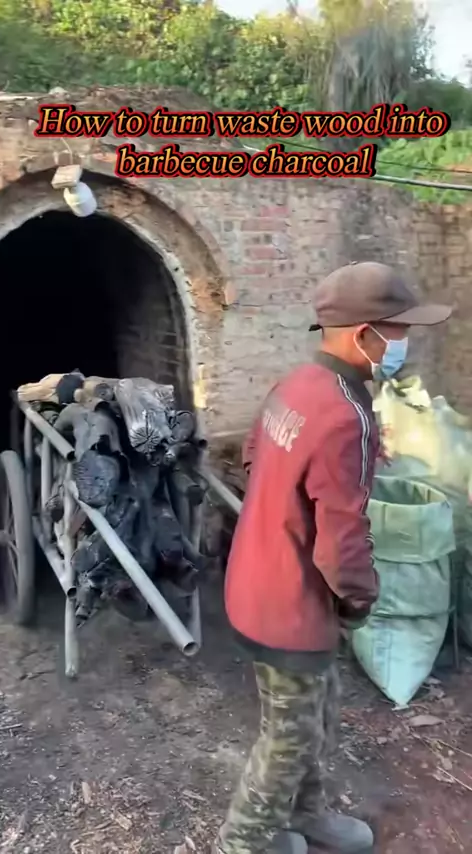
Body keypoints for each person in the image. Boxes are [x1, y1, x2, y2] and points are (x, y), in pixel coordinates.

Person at [175, 262, 451, 854]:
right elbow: (341, 541)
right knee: (288, 739)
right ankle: (240, 843)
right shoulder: (345, 414)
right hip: (291, 605)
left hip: (255, 577)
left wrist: (303, 492)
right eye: (399, 329)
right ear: (365, 334)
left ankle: (307, 816)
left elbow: (256, 455)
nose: (405, 341)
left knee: (315, 713)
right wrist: (358, 601)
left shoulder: (297, 386)